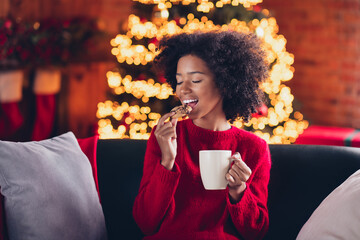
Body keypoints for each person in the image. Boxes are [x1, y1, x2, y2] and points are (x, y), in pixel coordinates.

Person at [133, 30, 271, 240]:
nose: (183, 90)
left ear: (225, 84)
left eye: (195, 80)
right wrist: (167, 162)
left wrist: (239, 190)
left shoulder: (254, 148)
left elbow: (256, 233)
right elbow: (145, 223)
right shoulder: (164, 136)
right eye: (179, 81)